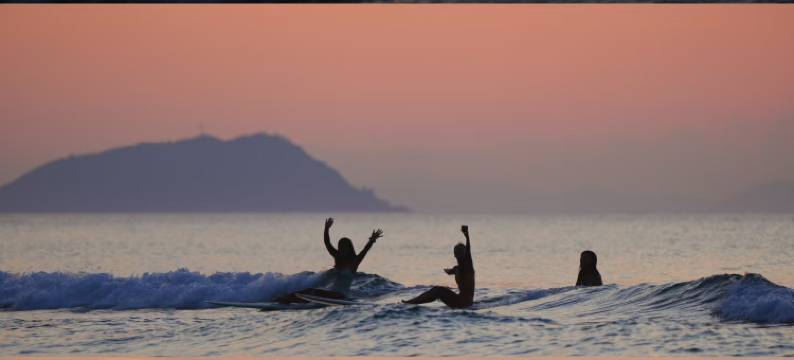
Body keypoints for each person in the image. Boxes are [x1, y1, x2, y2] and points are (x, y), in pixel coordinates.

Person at [275, 217, 383, 304]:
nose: (342, 249)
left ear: (349, 248)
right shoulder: (337, 257)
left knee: (312, 293)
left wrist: (372, 240)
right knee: (309, 291)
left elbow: (365, 250)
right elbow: (327, 243)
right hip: (332, 293)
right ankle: (285, 299)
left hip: (341, 296)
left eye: (344, 247)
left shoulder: (355, 261)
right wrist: (326, 229)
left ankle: (289, 300)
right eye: (340, 247)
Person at [402, 225, 474, 309]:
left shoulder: (468, 267)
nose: (458, 256)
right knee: (438, 289)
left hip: (463, 303)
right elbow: (453, 270)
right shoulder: (457, 268)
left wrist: (467, 236)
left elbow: (468, 252)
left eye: (460, 253)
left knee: (438, 290)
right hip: (461, 302)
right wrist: (449, 271)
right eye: (456, 253)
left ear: (464, 254)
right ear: (454, 255)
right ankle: (412, 302)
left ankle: (412, 302)